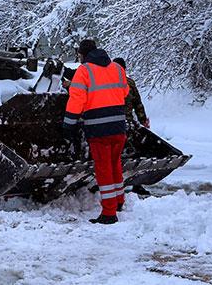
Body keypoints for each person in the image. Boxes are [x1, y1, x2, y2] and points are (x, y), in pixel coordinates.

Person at [64, 41, 131, 224]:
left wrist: (68, 124)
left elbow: (76, 100)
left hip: (98, 128)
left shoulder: (84, 71)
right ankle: (119, 201)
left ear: (83, 55)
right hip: (119, 126)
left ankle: (109, 213)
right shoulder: (117, 68)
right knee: (115, 163)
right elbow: (124, 91)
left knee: (103, 169)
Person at [113, 57, 152, 197]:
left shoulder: (109, 83)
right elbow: (138, 104)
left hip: (113, 124)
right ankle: (136, 183)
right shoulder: (129, 83)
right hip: (128, 124)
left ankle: (116, 184)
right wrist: (142, 120)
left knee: (116, 155)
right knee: (133, 154)